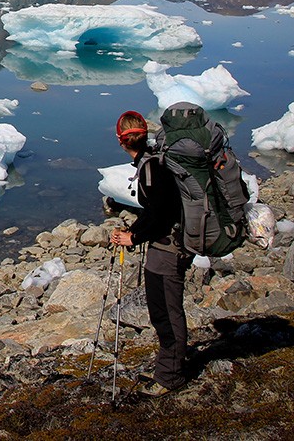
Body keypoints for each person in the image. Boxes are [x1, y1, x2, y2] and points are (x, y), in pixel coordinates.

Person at [109, 110, 191, 396]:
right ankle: (168, 367)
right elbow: (154, 209)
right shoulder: (154, 160)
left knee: (166, 311)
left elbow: (161, 214)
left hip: (169, 247)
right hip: (167, 244)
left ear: (121, 140)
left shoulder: (151, 167)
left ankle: (171, 377)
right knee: (161, 309)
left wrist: (133, 237)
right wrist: (132, 231)